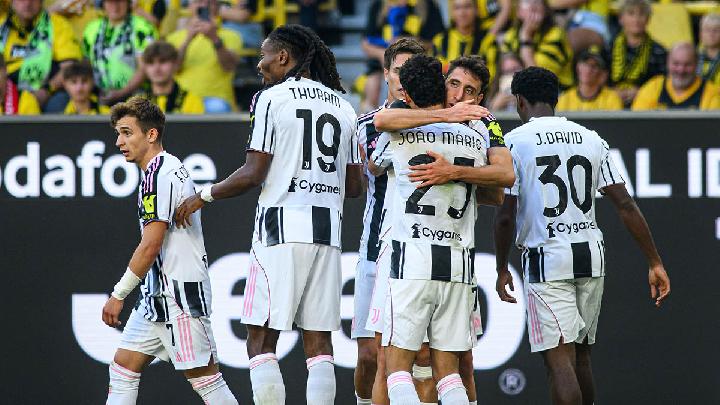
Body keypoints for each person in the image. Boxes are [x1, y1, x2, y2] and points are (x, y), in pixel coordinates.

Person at [174, 24, 363, 405]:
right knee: (319, 340)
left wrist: (203, 195)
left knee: (259, 337)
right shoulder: (344, 106)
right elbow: (355, 186)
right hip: (328, 232)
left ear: (283, 57)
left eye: (264, 56)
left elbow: (253, 173)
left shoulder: (271, 99)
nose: (259, 64)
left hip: (280, 228)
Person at [494, 66, 671, 405]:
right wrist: (654, 261)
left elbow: (505, 216)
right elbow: (625, 204)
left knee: (559, 361)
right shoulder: (590, 138)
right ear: (555, 99)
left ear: (519, 101)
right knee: (582, 357)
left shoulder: (514, 142)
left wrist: (502, 267)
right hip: (590, 255)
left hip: (547, 258)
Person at [373, 55, 514, 405]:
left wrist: (452, 172)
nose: (459, 96)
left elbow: (374, 158)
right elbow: (498, 190)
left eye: (470, 91)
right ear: (442, 83)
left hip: (410, 259)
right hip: (457, 261)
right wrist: (448, 125)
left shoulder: (402, 131)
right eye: (454, 84)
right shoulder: (475, 136)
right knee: (449, 373)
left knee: (397, 370)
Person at [101, 96, 239, 405]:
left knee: (207, 381)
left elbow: (151, 244)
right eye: (118, 134)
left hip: (178, 296)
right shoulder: (169, 167)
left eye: (127, 133)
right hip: (157, 296)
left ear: (151, 134)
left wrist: (119, 294)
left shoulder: (158, 176)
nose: (119, 142)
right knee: (123, 368)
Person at [353, 37, 426, 405]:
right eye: (398, 71)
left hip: (420, 253)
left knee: (414, 357)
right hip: (374, 249)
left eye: (411, 72)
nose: (403, 79)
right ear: (385, 74)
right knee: (369, 355)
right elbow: (368, 171)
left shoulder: (436, 123)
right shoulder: (366, 125)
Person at [361, 0, 444, 111]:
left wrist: (408, 43)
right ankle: (373, 115)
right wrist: (383, 55)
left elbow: (435, 41)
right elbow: (366, 44)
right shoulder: (379, 5)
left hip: (418, 58)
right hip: (383, 60)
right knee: (373, 81)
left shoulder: (428, 4)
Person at [1, 0, 81, 108]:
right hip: (7, 91)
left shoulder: (58, 24)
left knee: (62, 100)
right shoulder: (1, 26)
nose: (27, 3)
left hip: (46, 90)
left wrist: (48, 89)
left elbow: (70, 67)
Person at [167, 0, 242, 112]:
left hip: (217, 100)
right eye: (199, 1)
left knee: (217, 108)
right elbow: (173, 69)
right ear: (190, 7)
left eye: (210, 2)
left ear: (217, 8)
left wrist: (214, 38)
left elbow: (229, 67)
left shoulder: (232, 36)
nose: (204, 5)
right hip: (182, 99)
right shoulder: (173, 38)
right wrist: (188, 39)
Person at [82, 0, 157, 106]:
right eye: (110, 2)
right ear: (103, 4)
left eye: (120, 1)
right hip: (99, 96)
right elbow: (86, 64)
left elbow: (145, 67)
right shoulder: (91, 28)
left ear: (128, 3)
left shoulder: (143, 27)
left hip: (136, 97)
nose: (115, 6)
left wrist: (121, 93)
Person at [501, 0, 574, 89]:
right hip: (521, 89)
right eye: (526, 2)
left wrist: (526, 37)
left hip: (556, 91)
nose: (533, 7)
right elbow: (506, 72)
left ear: (545, 10)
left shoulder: (556, 35)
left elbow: (538, 79)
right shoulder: (511, 36)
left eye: (537, 2)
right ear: (519, 12)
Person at [632, 42, 720, 111]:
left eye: (687, 64)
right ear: (667, 63)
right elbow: (637, 123)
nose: (681, 70)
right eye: (676, 64)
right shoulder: (653, 87)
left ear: (697, 64)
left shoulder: (712, 94)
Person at [610, 0, 666, 107]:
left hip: (647, 106)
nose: (636, 19)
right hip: (609, 106)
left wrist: (642, 91)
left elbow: (664, 84)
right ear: (621, 19)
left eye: (642, 14)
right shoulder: (607, 48)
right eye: (631, 13)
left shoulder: (659, 52)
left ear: (648, 19)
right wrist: (611, 92)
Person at [432, 0, 499, 81]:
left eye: (467, 7)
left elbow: (490, 76)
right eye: (457, 8)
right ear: (452, 12)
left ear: (477, 10)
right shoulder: (440, 40)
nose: (462, 13)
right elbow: (434, 72)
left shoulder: (488, 41)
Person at [140, 40, 205, 113]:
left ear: (175, 64)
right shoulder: (138, 103)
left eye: (163, 61)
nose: (156, 68)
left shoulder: (192, 100)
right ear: (144, 67)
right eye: (151, 62)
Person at [557, 45, 623, 111]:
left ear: (603, 73)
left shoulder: (611, 98)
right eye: (585, 63)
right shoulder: (564, 99)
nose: (588, 70)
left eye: (594, 66)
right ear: (577, 66)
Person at [698, 12, 720, 86]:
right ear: (701, 34)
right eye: (707, 30)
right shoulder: (692, 57)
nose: (711, 34)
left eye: (716, 30)